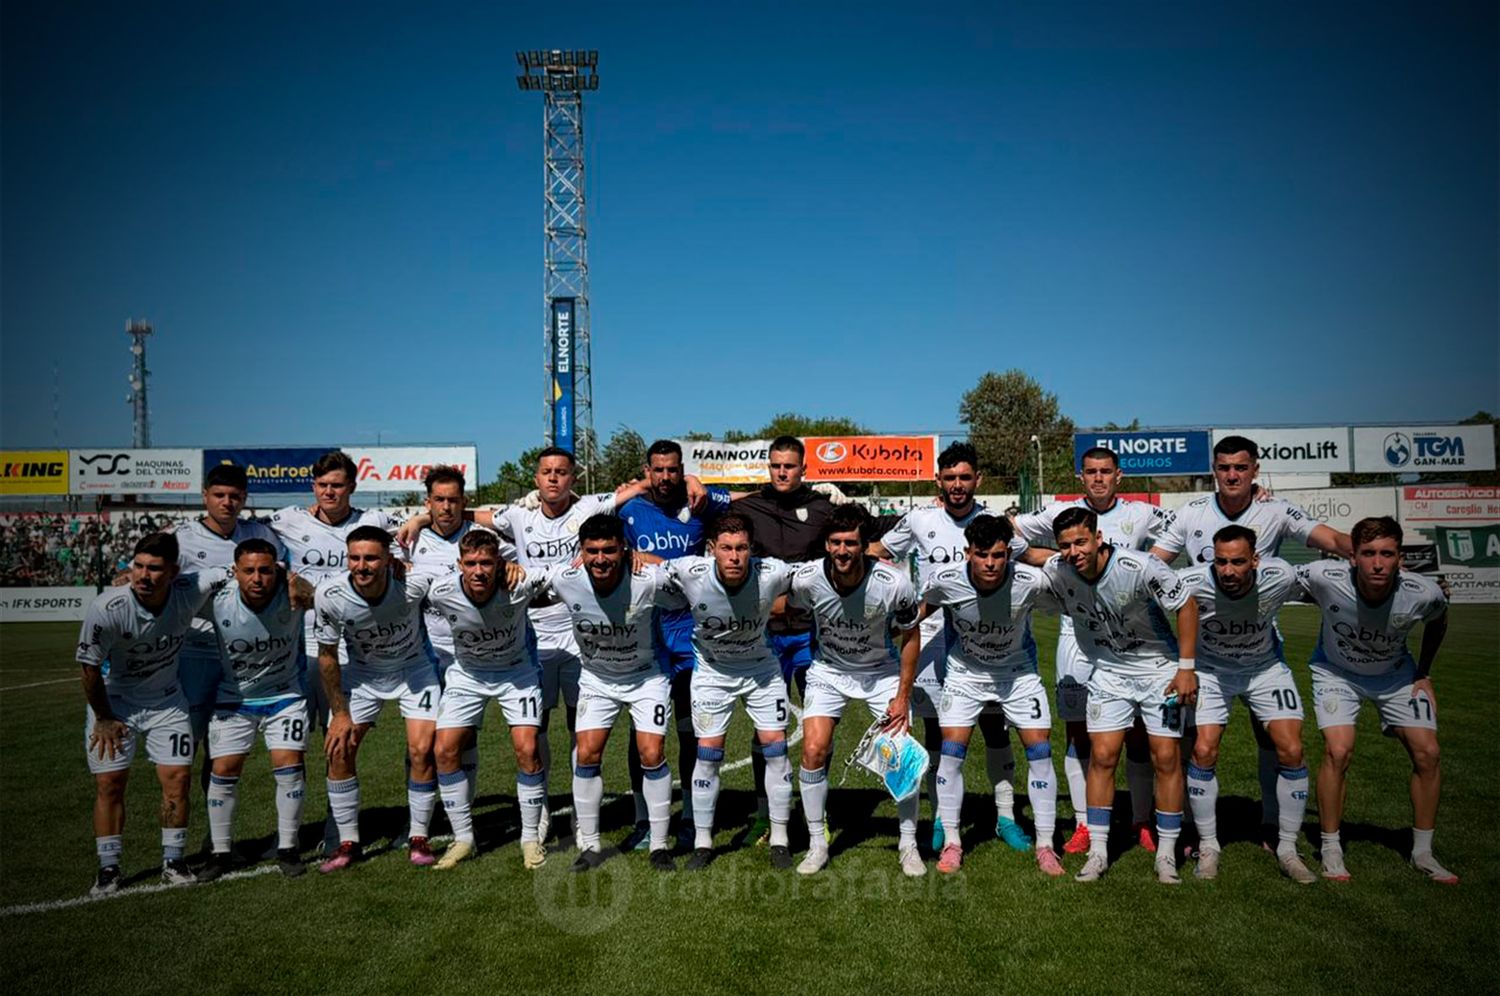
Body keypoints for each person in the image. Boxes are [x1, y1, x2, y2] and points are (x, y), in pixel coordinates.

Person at [1150, 434, 1351, 846]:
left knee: (1273, 738)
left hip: (1260, 644)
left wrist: (1366, 555)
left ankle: (1270, 821)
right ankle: (1193, 826)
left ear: (1255, 469)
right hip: (1206, 650)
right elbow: (1155, 563)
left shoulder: (1275, 510)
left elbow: (1329, 540)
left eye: (1241, 467)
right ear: (1214, 471)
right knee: (1197, 743)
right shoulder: (1190, 514)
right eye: (1224, 468)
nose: (1232, 475)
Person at [1011, 446, 1172, 856]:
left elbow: (1182, 534)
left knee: (1137, 735)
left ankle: (1141, 820)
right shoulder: (1057, 512)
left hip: (1129, 639)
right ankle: (1084, 824)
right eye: (1090, 472)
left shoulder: (1143, 513)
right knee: (1078, 732)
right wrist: (1064, 559)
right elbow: (1013, 535)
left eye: (1105, 472)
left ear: (1119, 476)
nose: (1098, 478)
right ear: (1080, 476)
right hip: (1077, 635)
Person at [870, 441, 1026, 852]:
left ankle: (1006, 817)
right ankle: (942, 817)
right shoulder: (920, 520)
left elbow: (1026, 558)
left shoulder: (996, 524)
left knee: (995, 728)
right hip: (933, 632)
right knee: (937, 731)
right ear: (938, 480)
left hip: (989, 637)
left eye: (965, 477)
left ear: (979, 479)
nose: (958, 485)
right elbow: (878, 551)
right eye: (950, 478)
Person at [1040, 507, 1199, 884]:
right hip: (1108, 674)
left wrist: (1186, 668)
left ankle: (1166, 855)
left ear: (1098, 538)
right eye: (1065, 545)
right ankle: (1098, 851)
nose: (1074, 551)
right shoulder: (1058, 573)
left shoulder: (1141, 567)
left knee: (1166, 758)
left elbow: (1186, 605)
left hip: (1158, 672)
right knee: (1103, 755)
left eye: (1081, 541)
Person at [1295, 516, 1455, 884]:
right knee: (1338, 750)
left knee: (1428, 752)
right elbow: (1278, 581)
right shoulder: (1324, 576)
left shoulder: (1423, 591)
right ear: (1353, 556)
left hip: (1397, 675)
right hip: (1336, 673)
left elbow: (1439, 619)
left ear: (1400, 557)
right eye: (1368, 553)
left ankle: (1423, 852)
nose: (1378, 563)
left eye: (1387, 553)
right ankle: (1331, 847)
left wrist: (1424, 671)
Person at [76, 532, 224, 894]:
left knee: (177, 780)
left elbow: (232, 570)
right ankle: (109, 868)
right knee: (109, 784)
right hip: (114, 704)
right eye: (138, 566)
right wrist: (105, 718)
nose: (144, 576)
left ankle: (174, 861)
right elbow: (89, 669)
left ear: (173, 571)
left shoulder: (190, 590)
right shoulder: (107, 608)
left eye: (155, 569)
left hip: (166, 703)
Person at [919, 514, 1064, 876]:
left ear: (1009, 553)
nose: (991, 563)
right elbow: (918, 614)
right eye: (982, 554)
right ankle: (953, 841)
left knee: (1040, 750)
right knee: (951, 751)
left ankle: (1046, 844)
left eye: (999, 555)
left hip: (1017, 674)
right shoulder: (946, 580)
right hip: (965, 675)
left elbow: (1069, 601)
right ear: (968, 552)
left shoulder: (1031, 581)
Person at [542, 514, 687, 873]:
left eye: (609, 550)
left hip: (646, 678)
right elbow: (522, 585)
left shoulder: (648, 581)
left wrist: (654, 560)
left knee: (651, 753)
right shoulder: (565, 579)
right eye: (592, 551)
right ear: (581, 552)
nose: (601, 559)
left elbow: (689, 584)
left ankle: (658, 843)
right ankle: (589, 845)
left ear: (624, 548)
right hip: (597, 679)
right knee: (587, 753)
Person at [789, 505, 924, 877]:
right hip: (829, 672)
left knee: (901, 755)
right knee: (814, 749)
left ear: (865, 545)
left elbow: (912, 636)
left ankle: (908, 843)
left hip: (881, 672)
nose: (843, 550)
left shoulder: (894, 582)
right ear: (826, 545)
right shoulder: (807, 579)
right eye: (835, 542)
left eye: (851, 542)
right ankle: (818, 843)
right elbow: (788, 611)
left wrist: (902, 695)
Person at [1176, 526, 1316, 883]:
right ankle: (1209, 846)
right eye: (1221, 561)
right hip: (1211, 671)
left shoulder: (1280, 575)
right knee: (1204, 749)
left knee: (1292, 748)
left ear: (1255, 560)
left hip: (1264, 669)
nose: (1228, 571)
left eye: (1238, 562)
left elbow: (1332, 583)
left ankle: (1287, 847)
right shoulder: (1191, 581)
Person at [662, 513, 796, 870]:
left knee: (777, 750)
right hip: (712, 673)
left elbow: (821, 571)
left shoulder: (773, 572)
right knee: (708, 754)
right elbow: (642, 572)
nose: (734, 556)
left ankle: (780, 837)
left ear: (752, 550)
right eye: (726, 549)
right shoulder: (690, 572)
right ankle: (704, 843)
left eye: (741, 549)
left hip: (761, 670)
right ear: (712, 550)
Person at [618, 439, 732, 852]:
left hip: (688, 638)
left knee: (689, 732)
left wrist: (696, 482)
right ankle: (642, 819)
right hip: (645, 638)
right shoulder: (627, 509)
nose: (665, 478)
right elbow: (587, 520)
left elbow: (749, 504)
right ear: (647, 471)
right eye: (658, 470)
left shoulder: (700, 503)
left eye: (673, 470)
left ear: (681, 469)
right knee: (643, 735)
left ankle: (688, 818)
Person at [314, 526, 438, 872]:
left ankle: (418, 836)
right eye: (355, 558)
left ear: (389, 560)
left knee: (421, 749)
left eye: (371, 558)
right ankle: (348, 842)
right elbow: (326, 655)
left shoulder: (413, 584)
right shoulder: (330, 594)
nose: (362, 565)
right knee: (339, 748)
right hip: (363, 675)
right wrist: (339, 713)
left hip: (414, 671)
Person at [426, 530, 550, 871]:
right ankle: (463, 838)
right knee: (444, 750)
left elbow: (564, 571)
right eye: (471, 563)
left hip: (517, 674)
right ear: (459, 565)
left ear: (500, 564)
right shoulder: (441, 591)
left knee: (527, 749)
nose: (478, 570)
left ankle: (529, 839)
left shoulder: (520, 584)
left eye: (486, 563)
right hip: (467, 676)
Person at [171, 463, 286, 823]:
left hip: (245, 659)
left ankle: (214, 838)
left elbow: (285, 575)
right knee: (183, 752)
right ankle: (176, 844)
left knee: (221, 753)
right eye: (219, 495)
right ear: (205, 497)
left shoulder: (261, 535)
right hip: (196, 653)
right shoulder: (181, 538)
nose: (227, 503)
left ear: (244, 499)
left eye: (235, 496)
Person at [197, 538, 311, 880]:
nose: (257, 578)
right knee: (225, 769)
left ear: (276, 570)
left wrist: (300, 584)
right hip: (234, 699)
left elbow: (326, 593)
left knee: (288, 763)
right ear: (236, 572)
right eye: (249, 571)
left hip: (285, 696)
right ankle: (220, 852)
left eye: (265, 570)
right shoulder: (217, 602)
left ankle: (287, 848)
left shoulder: (295, 594)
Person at [405, 465, 511, 817]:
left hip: (471, 656)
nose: (446, 507)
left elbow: (514, 566)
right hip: (425, 655)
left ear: (464, 501)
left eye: (453, 500)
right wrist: (416, 523)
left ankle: (460, 812)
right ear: (428, 503)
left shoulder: (482, 538)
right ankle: (419, 820)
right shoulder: (410, 539)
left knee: (462, 737)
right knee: (420, 744)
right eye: (439, 500)